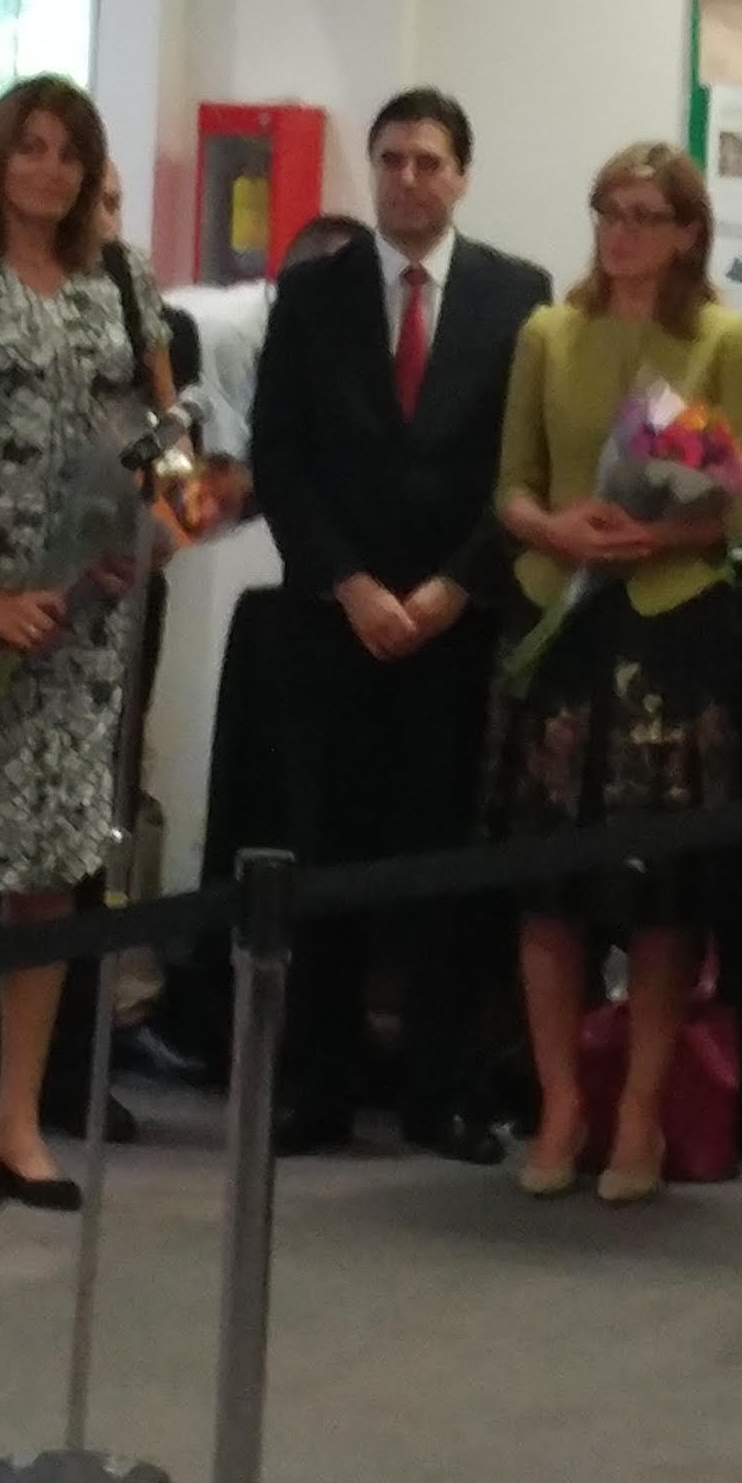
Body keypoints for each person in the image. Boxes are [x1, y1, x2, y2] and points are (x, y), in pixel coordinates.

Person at [0, 73, 189, 1216]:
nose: (50, 169)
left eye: (69, 152)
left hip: (86, 617)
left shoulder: (124, 278)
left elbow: (169, 434)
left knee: (53, 875)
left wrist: (155, 524)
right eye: (31, 146)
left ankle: (18, 1112)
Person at [238, 92, 550, 1160]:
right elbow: (278, 453)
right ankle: (317, 1088)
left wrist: (456, 586)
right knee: (323, 857)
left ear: (462, 175)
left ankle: (439, 1090)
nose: (408, 178)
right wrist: (351, 584)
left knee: (444, 865)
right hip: (335, 624)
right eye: (390, 160)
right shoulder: (311, 292)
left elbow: (524, 466)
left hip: (456, 626)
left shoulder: (518, 296)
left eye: (428, 161)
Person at [485, 139, 742, 1205]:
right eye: (608, 211)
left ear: (688, 232)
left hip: (669, 623)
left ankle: (641, 1111)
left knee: (658, 890)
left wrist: (664, 534)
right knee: (549, 886)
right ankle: (561, 1105)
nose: (622, 232)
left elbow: (738, 503)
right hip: (558, 618)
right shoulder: (547, 332)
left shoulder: (720, 338)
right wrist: (557, 529)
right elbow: (509, 487)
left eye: (645, 215)